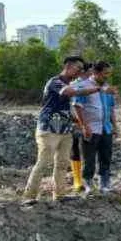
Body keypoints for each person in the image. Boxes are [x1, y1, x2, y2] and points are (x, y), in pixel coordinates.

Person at [21, 56, 101, 205]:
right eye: (78, 67)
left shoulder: (69, 84)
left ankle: (59, 194)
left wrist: (80, 123)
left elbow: (66, 107)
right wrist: (93, 89)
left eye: (81, 69)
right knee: (43, 162)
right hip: (49, 129)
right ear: (68, 66)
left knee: (62, 163)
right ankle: (29, 196)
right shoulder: (55, 82)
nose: (79, 71)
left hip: (65, 130)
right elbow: (69, 92)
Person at [71, 61, 115, 194]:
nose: (107, 76)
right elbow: (77, 106)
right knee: (89, 158)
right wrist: (84, 126)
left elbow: (111, 108)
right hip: (91, 128)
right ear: (95, 72)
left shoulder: (106, 87)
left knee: (106, 156)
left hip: (106, 127)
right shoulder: (83, 86)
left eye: (109, 73)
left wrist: (115, 126)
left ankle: (104, 183)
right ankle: (88, 183)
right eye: (105, 73)